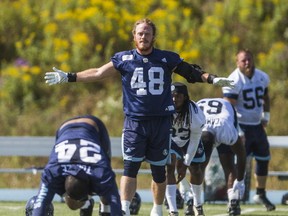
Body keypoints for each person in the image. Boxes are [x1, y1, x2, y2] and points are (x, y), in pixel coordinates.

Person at [44, 18, 234, 216]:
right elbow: (99, 72)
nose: (144, 36)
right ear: (134, 36)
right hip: (135, 122)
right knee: (130, 168)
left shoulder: (166, 58)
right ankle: (124, 210)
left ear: (153, 37)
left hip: (161, 122)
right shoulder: (124, 59)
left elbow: (191, 72)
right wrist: (70, 76)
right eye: (140, 33)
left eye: (147, 33)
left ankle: (157, 210)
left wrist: (213, 79)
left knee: (159, 171)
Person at [26, 115, 122, 216]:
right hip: (64, 129)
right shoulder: (53, 171)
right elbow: (41, 204)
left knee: (105, 193)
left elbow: (114, 201)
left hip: (93, 127)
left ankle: (104, 210)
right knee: (72, 205)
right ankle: (87, 205)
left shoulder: (100, 171)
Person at [222, 49, 275, 211]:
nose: (247, 63)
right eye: (243, 60)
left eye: (249, 59)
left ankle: (260, 193)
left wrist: (266, 115)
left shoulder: (262, 76)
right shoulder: (233, 80)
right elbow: (228, 107)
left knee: (264, 158)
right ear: (237, 62)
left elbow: (265, 97)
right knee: (239, 163)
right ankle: (234, 198)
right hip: (241, 125)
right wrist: (237, 130)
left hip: (256, 125)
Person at [196, 97, 246, 216]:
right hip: (204, 121)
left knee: (228, 162)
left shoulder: (226, 130)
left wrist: (240, 181)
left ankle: (233, 200)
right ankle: (194, 203)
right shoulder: (194, 127)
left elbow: (241, 154)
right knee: (198, 167)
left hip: (225, 114)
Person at [165, 82, 206, 216]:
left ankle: (198, 204)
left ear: (185, 97)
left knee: (195, 169)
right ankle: (173, 210)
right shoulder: (163, 107)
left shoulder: (194, 113)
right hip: (172, 139)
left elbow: (194, 140)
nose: (174, 99)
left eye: (177, 96)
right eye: (171, 96)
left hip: (190, 140)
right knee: (169, 167)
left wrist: (185, 163)